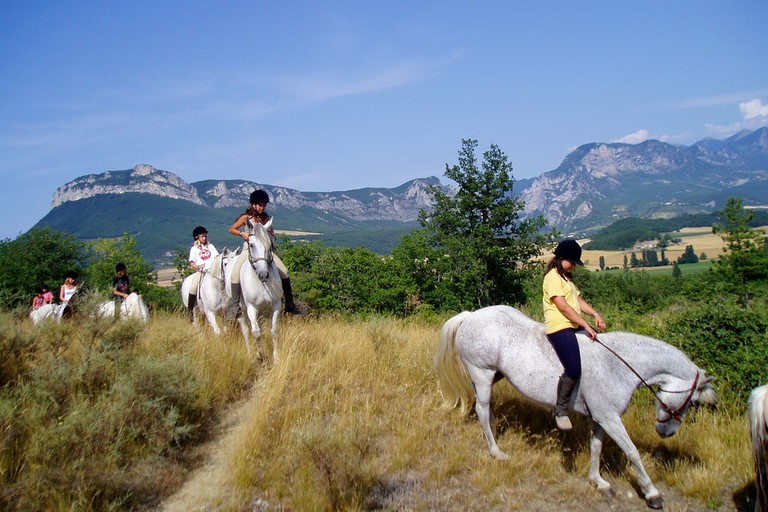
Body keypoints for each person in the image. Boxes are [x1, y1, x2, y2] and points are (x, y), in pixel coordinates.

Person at [543, 239, 606, 431]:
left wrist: (595, 314)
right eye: (572, 262)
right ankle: (560, 410)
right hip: (559, 326)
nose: (574, 267)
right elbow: (562, 305)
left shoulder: (566, 278)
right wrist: (584, 324)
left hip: (572, 323)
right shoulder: (552, 277)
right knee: (573, 367)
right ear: (562, 258)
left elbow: (576, 300)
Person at [228, 189, 301, 315]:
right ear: (253, 205)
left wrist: (271, 235)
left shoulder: (266, 219)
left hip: (265, 250)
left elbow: (271, 232)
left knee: (284, 271)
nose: (262, 207)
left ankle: (289, 303)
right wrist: (242, 233)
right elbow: (232, 229)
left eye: (264, 205)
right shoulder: (245, 218)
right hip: (249, 249)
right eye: (260, 205)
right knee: (235, 274)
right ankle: (235, 307)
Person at [187, 226, 219, 319]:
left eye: (205, 236)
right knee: (193, 288)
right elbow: (191, 262)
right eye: (202, 236)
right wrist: (197, 266)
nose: (204, 238)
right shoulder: (194, 249)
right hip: (202, 272)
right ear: (197, 238)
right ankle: (190, 312)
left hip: (213, 272)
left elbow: (216, 257)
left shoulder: (211, 246)